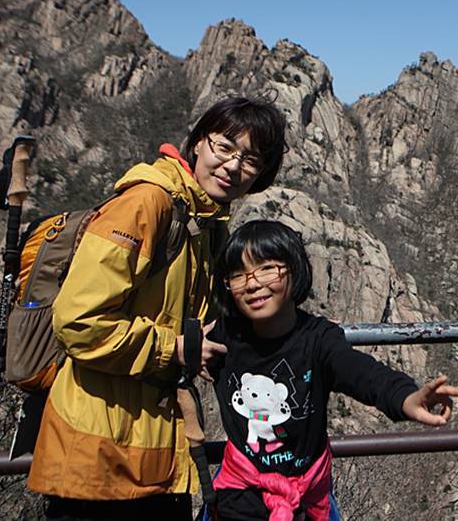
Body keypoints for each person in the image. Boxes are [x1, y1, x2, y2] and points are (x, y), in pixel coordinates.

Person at [26, 97, 287, 520]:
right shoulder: (148, 204)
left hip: (155, 453)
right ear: (199, 143)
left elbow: (200, 320)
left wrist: (299, 329)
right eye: (224, 147)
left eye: (251, 159)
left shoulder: (204, 222)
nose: (233, 166)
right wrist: (176, 349)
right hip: (97, 460)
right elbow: (78, 322)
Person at [207, 220, 458, 520]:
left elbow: (361, 372)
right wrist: (187, 349)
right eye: (238, 275)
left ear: (294, 269)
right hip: (241, 493)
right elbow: (180, 354)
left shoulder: (318, 339)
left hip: (307, 495)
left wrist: (405, 397)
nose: (252, 284)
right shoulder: (223, 337)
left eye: (267, 268)